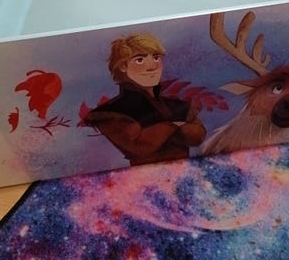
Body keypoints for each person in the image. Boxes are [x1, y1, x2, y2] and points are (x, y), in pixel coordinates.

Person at [85, 33, 206, 165]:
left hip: (187, 171)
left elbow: (196, 137)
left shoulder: (178, 105)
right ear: (123, 66)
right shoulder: (110, 112)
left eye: (156, 58)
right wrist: (175, 125)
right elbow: (140, 146)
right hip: (142, 176)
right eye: (140, 60)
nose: (152, 66)